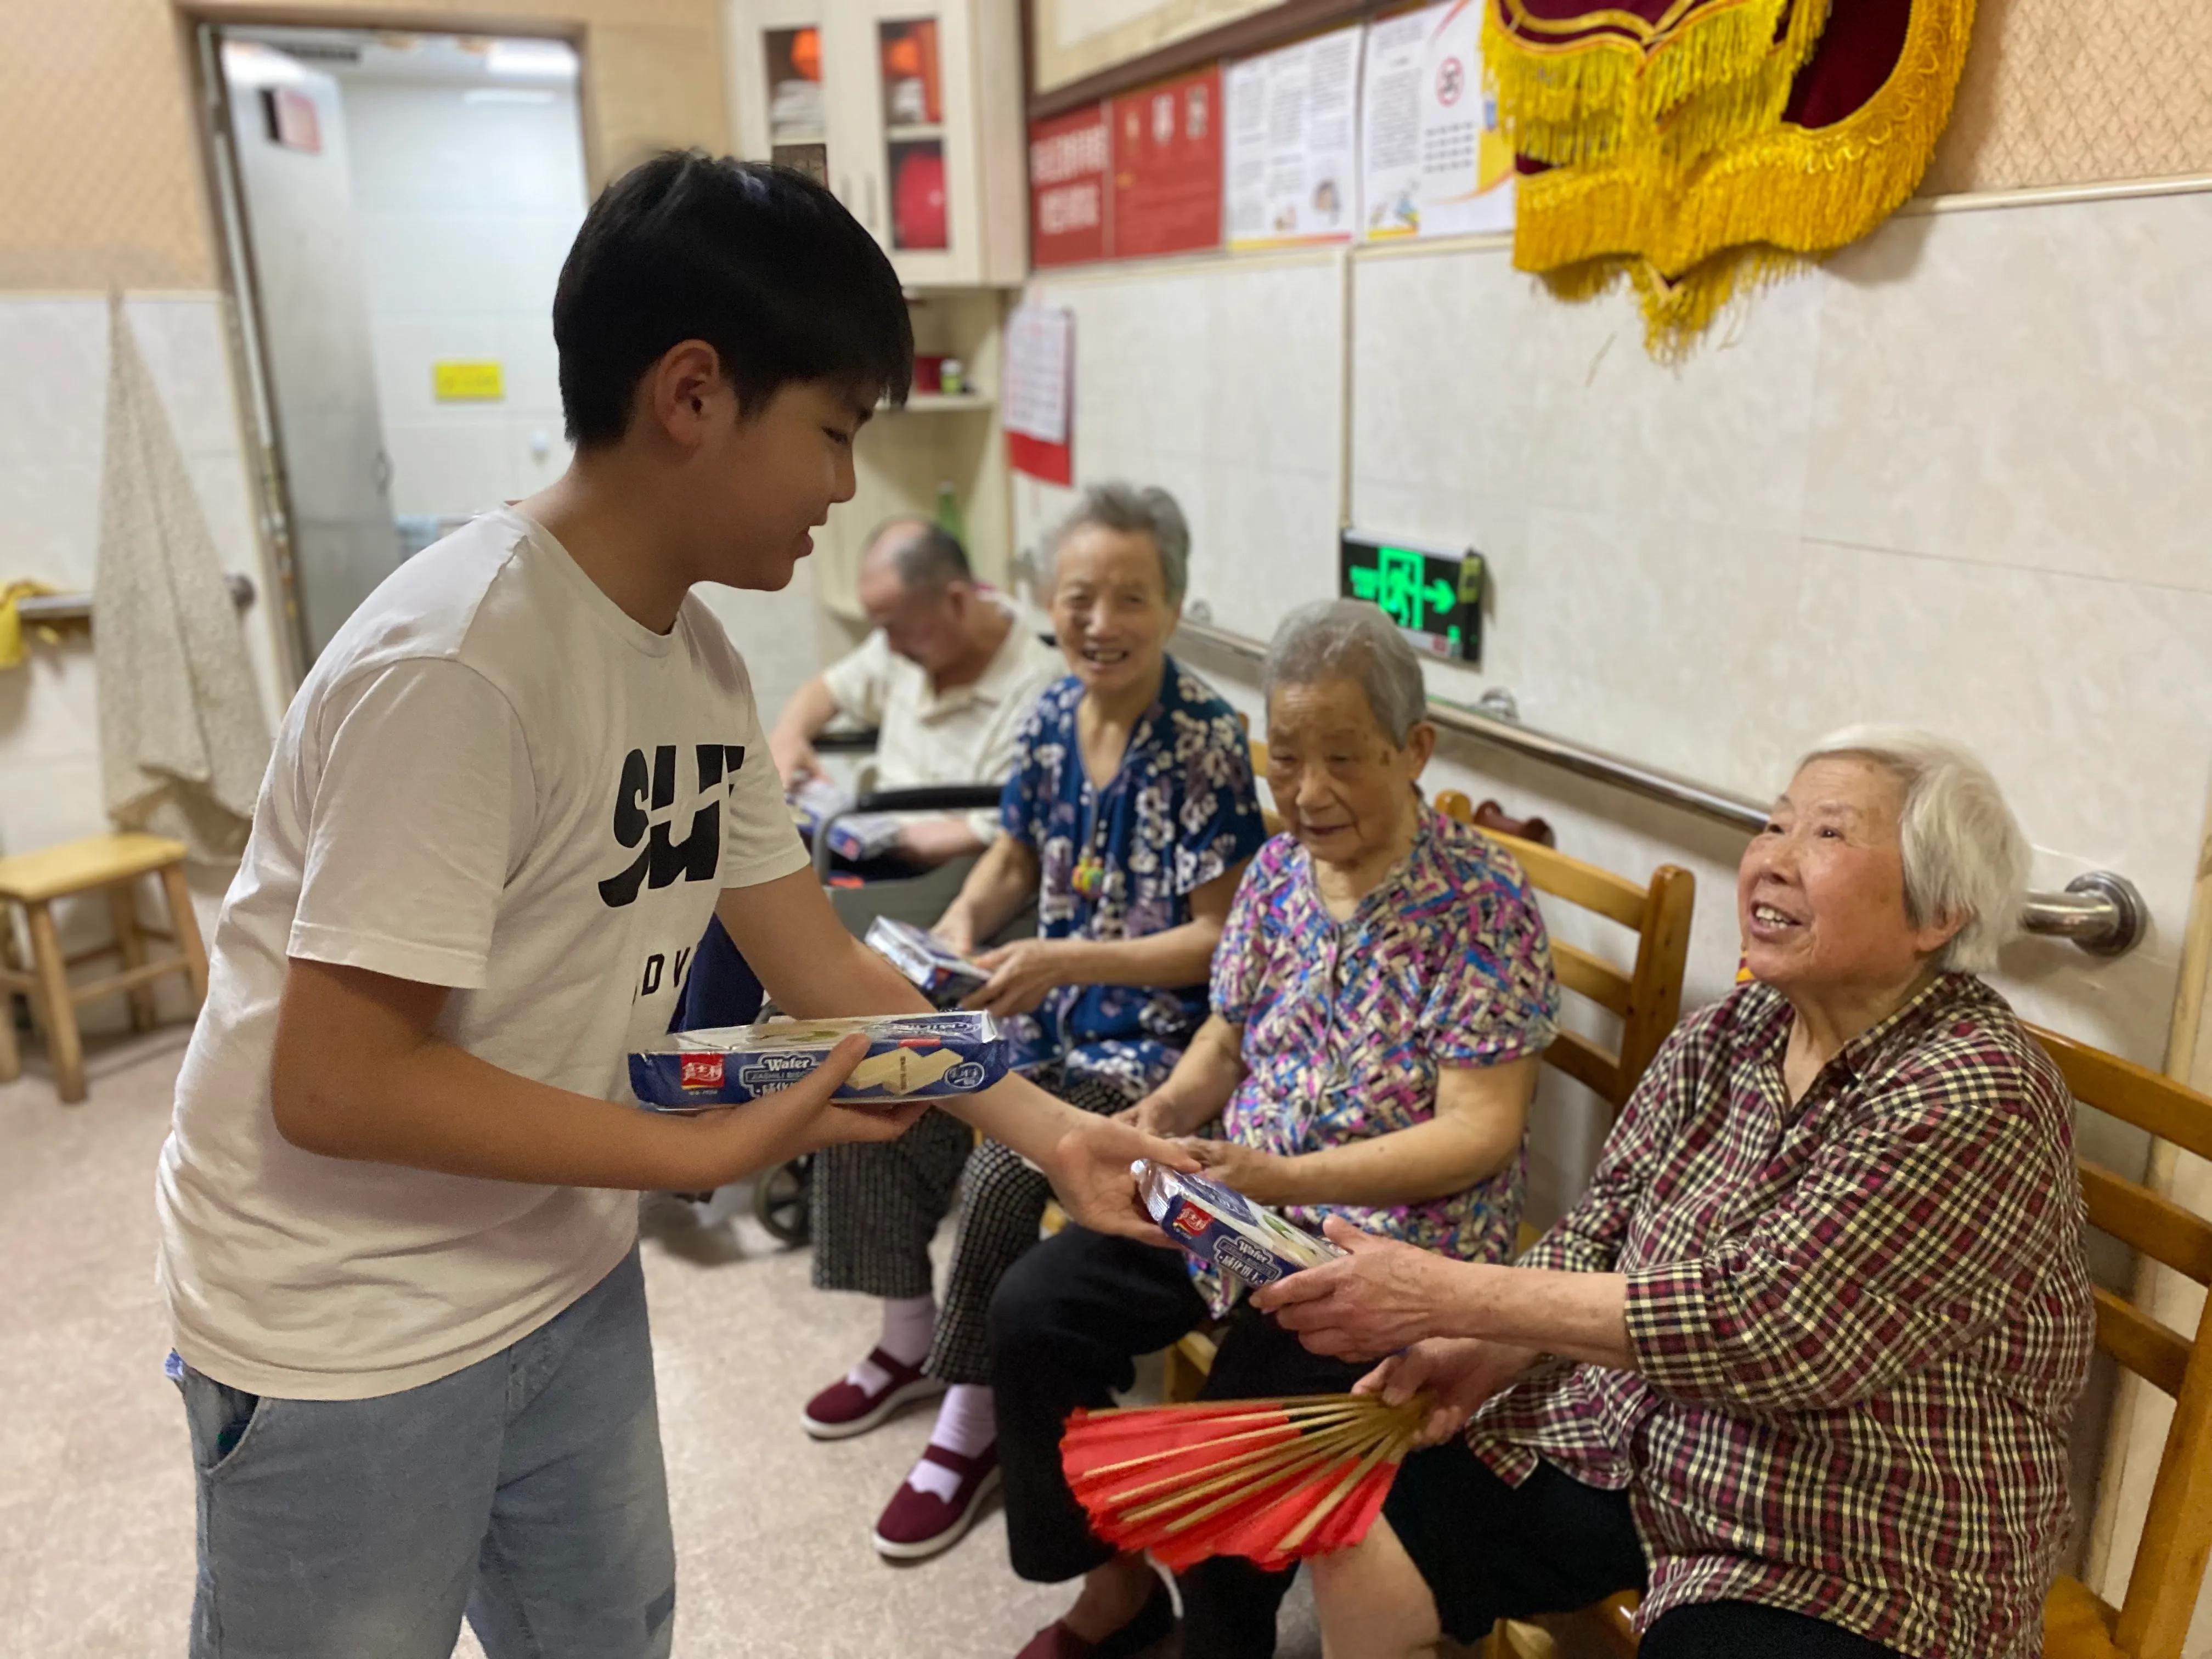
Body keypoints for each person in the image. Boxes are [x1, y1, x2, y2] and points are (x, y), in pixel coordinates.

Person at [152, 153, 1186, 1659]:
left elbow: (820, 959)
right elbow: (336, 1080)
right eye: (833, 434)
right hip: (341, 1328)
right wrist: (696, 1144)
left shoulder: (695, 660)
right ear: (693, 394)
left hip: (557, 1272)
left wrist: (1053, 1133)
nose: (846, 488)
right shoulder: (459, 664)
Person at [1255, 728, 2097, 1659]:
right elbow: (1603, 1221)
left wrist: (1448, 1291)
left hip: (1852, 1519)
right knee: (1369, 1505)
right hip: (1644, 1434)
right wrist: (1489, 1340)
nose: (1771, 858)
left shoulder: (1973, 1088)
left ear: (1938, 910)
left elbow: (1770, 1325)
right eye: (1772, 823)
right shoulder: (1725, 1035)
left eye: (1824, 835)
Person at [987, 599, 1561, 1659]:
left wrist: (1283, 1176)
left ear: (1414, 749)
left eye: (1342, 757)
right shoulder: (1275, 873)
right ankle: (1114, 1592)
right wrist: (1155, 1123)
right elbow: (1226, 1036)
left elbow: (1478, 1132)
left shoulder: (1483, 904)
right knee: (1028, 1312)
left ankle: (1223, 1639)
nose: (1305, 791)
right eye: (1285, 757)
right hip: (1235, 1208)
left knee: (1225, 1446)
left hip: (1380, 1260)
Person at [801, 482, 1268, 1562]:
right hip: (1035, 1010)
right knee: (882, 1072)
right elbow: (1014, 855)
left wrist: (1063, 957)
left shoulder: (1204, 741)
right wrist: (959, 937)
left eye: (1131, 599)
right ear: (1048, 604)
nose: (1101, 624)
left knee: (1008, 1169)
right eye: (1080, 597)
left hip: (1148, 1049)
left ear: (1177, 605)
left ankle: (974, 1423)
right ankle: (905, 1340)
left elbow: (1220, 938)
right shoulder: (1054, 712)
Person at [768, 516, 1062, 881]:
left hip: (950, 874)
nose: (889, 646)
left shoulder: (1040, 689)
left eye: (895, 628)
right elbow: (824, 691)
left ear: (956, 602)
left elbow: (997, 831)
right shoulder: (904, 643)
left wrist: (876, 835)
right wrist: (789, 737)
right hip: (878, 846)